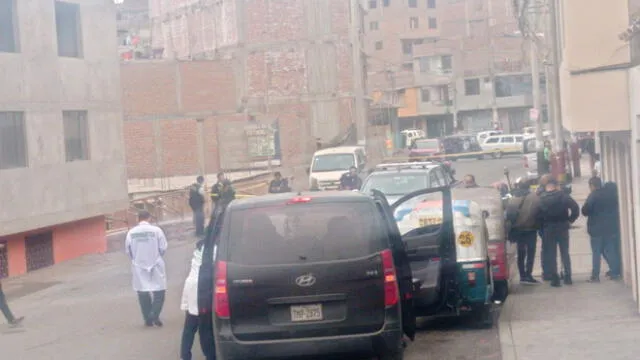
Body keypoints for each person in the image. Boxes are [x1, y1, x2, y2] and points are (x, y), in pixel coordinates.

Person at [125, 210, 168, 327]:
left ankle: (147, 318)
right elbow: (163, 247)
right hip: (155, 263)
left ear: (138, 219)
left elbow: (128, 251)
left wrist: (136, 260)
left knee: (142, 291)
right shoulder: (157, 231)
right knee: (159, 290)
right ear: (149, 218)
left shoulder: (131, 233)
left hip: (139, 265)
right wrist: (156, 256)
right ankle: (154, 313)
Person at [538, 178, 580, 287]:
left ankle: (554, 278)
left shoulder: (541, 199)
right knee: (564, 252)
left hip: (548, 228)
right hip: (562, 226)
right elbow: (575, 208)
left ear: (547, 187)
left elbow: (537, 216)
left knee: (551, 254)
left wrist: (541, 229)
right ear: (556, 186)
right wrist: (570, 220)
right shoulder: (563, 196)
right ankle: (567, 276)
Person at [180, 240, 216, 360]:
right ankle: (210, 356)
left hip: (192, 285)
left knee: (190, 324)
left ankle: (185, 355)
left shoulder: (202, 246)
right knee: (204, 325)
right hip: (201, 288)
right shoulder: (216, 249)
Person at [581, 177, 621, 282]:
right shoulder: (609, 194)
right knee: (610, 250)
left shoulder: (593, 196)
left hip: (596, 229)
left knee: (596, 252)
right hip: (609, 227)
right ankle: (615, 271)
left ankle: (595, 276)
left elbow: (585, 211)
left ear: (592, 186)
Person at [506, 180, 541, 284]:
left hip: (518, 230)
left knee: (521, 253)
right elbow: (539, 212)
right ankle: (528, 274)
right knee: (531, 252)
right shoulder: (535, 198)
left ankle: (522, 275)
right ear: (529, 187)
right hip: (531, 229)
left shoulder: (512, 199)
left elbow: (509, 215)